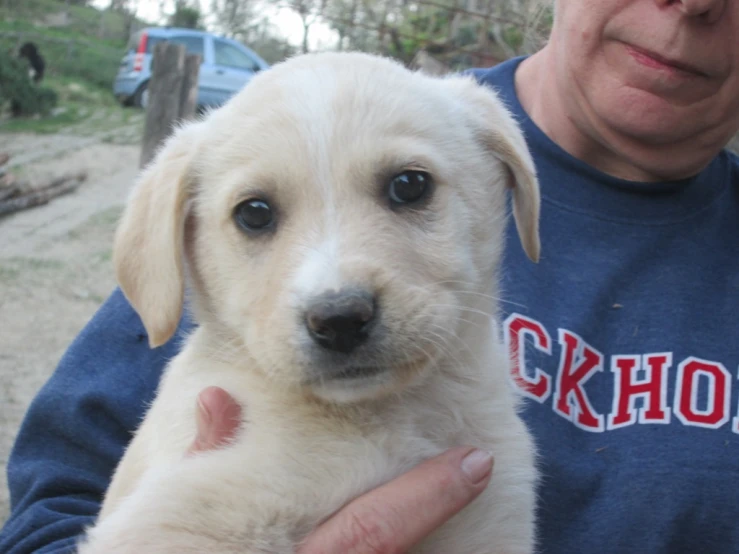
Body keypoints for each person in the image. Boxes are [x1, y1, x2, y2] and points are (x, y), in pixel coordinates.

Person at [2, 0, 738, 551]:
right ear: (184, 240)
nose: (334, 292)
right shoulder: (224, 379)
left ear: (507, 186)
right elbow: (49, 511)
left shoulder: (456, 130)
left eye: (407, 190)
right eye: (256, 215)